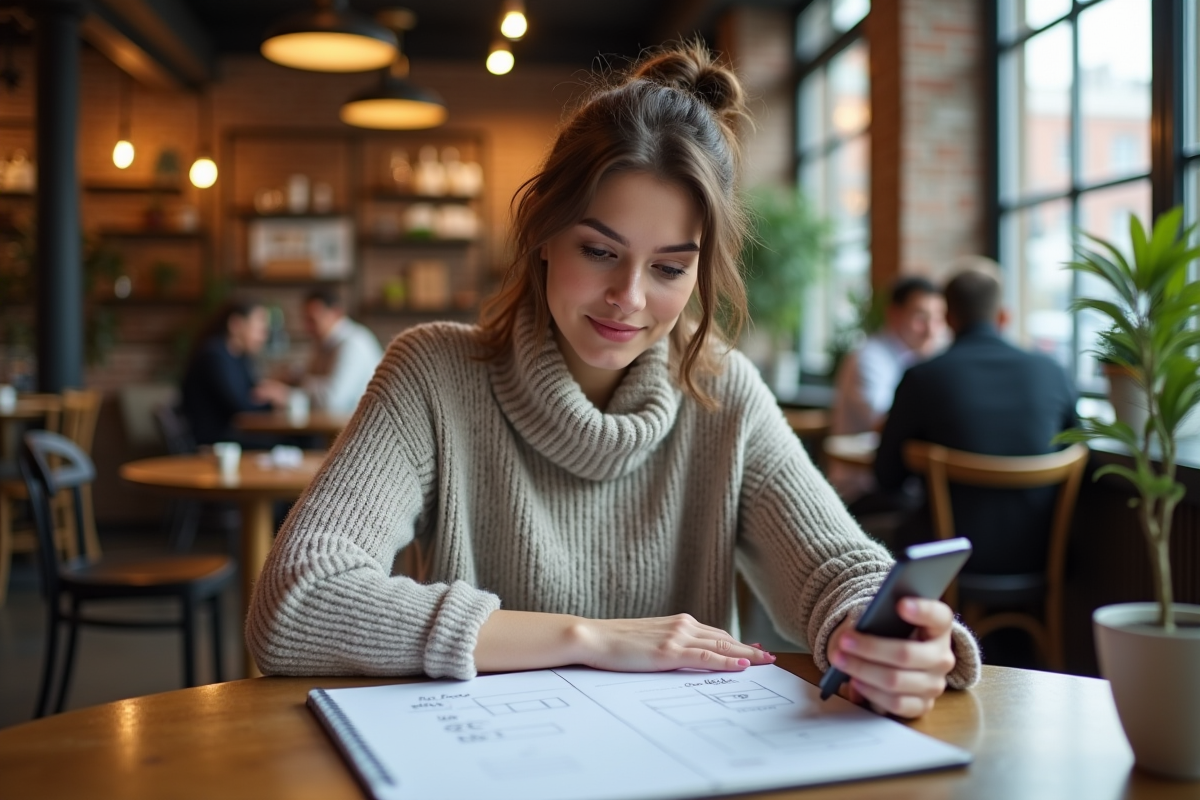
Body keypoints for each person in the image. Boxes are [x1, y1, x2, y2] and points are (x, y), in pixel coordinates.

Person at [248, 41, 979, 720]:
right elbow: (297, 602)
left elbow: (834, 570)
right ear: (541, 232)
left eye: (668, 268)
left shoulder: (723, 393)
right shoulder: (435, 375)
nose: (629, 298)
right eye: (599, 251)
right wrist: (590, 639)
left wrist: (884, 633)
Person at [873, 268, 1078, 575]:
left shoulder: (923, 377)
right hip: (1042, 554)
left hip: (943, 559)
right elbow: (1077, 446)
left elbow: (887, 476)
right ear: (1004, 316)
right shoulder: (1052, 372)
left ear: (948, 318)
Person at [829, 276, 945, 501]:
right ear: (894, 314)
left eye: (938, 318)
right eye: (921, 317)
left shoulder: (928, 359)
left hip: (904, 483)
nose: (931, 330)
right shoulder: (869, 358)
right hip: (863, 489)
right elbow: (884, 423)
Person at [179, 301, 292, 445]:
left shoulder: (238, 357)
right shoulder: (215, 356)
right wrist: (272, 401)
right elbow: (240, 407)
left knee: (296, 438)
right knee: (293, 440)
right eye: (259, 328)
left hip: (231, 434)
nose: (263, 336)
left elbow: (251, 391)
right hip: (216, 441)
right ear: (236, 324)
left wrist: (266, 392)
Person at [298, 289, 384, 415]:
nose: (307, 328)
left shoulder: (354, 343)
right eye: (306, 320)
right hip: (339, 427)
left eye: (313, 320)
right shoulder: (323, 343)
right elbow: (311, 376)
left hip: (360, 431)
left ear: (336, 313)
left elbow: (332, 401)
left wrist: (293, 389)